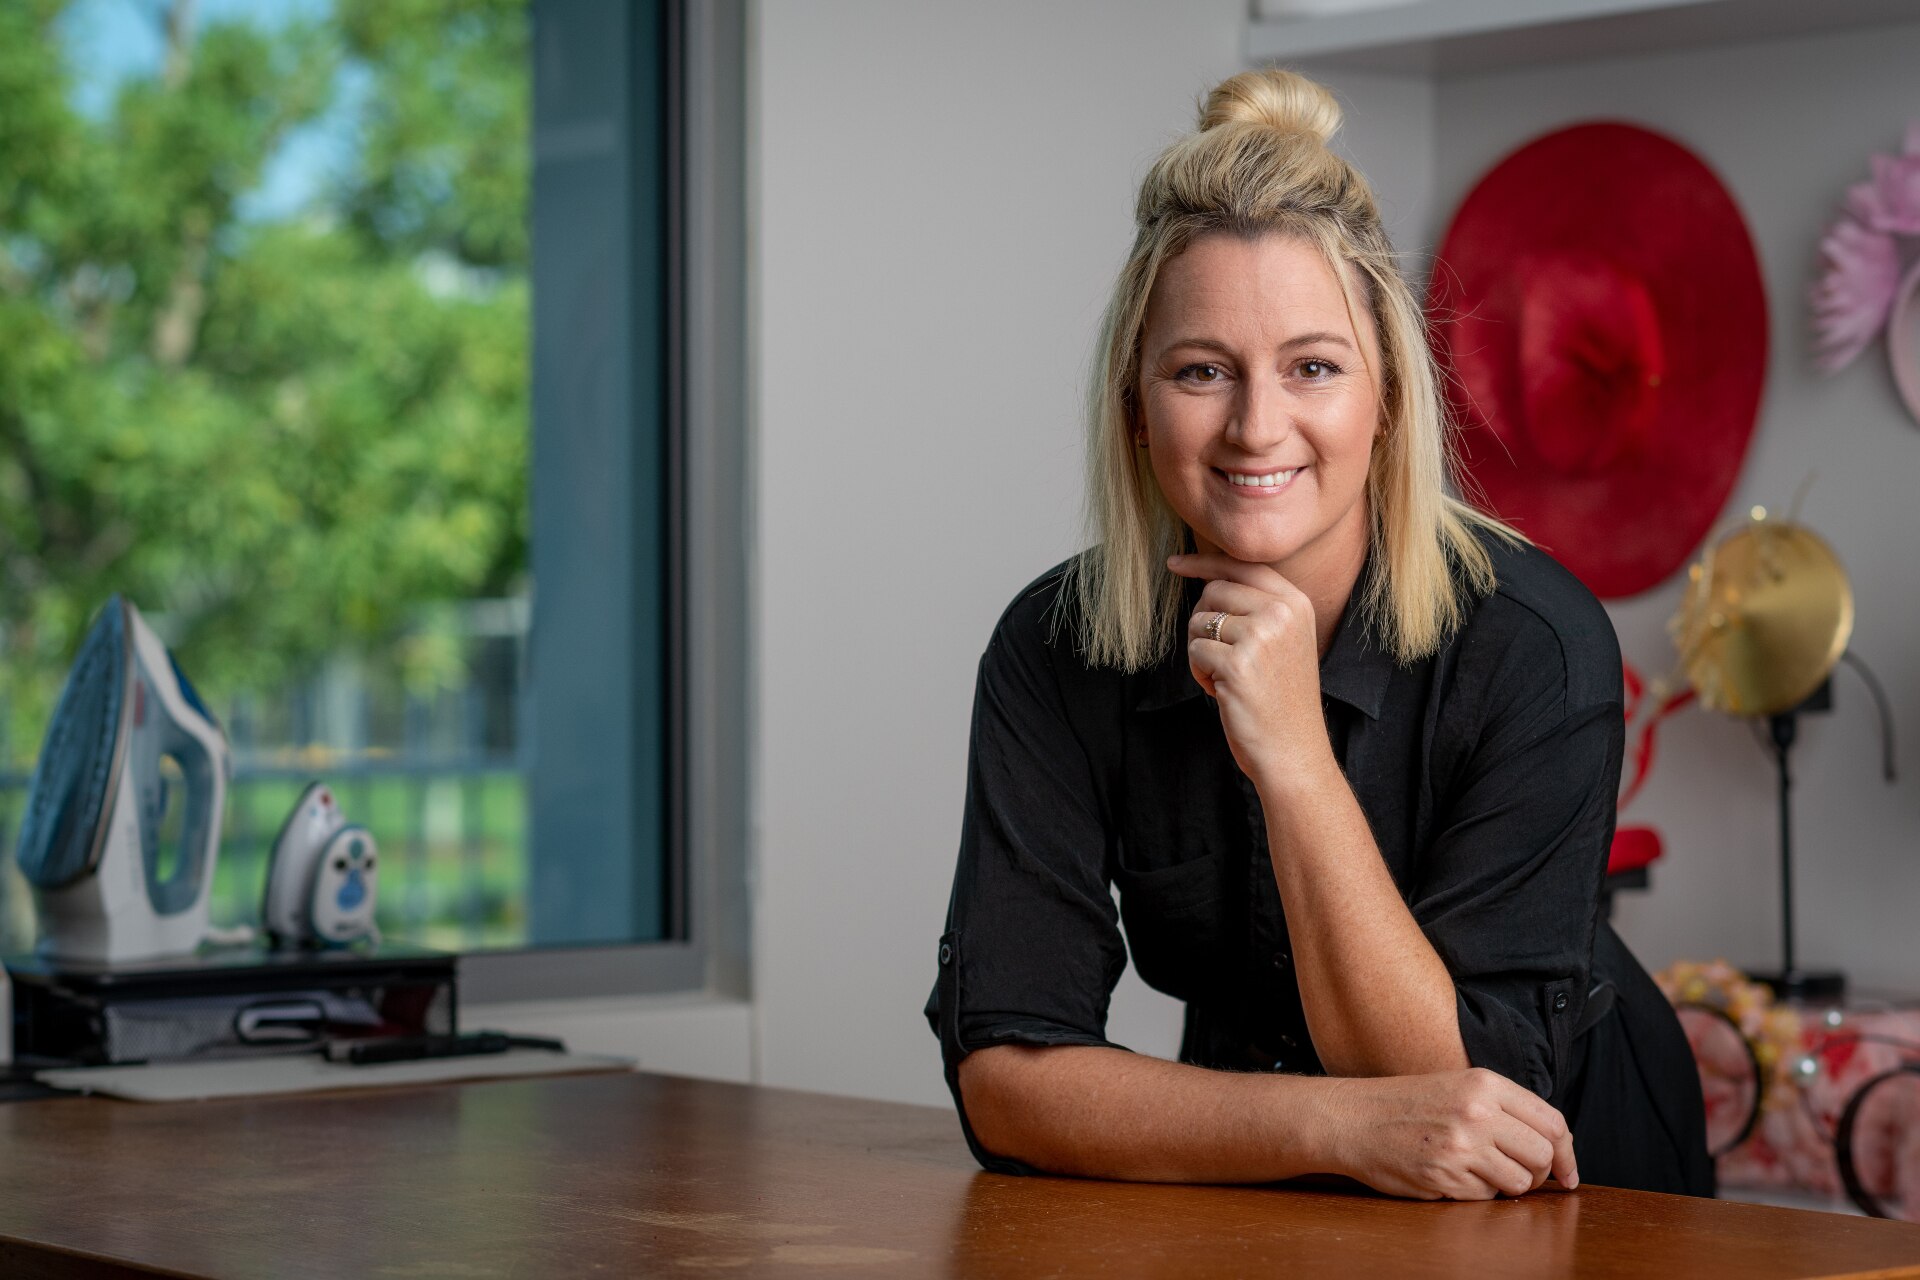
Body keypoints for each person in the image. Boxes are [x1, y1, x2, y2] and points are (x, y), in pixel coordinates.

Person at [924, 67, 1712, 1200]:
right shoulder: (1056, 647)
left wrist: (1293, 753)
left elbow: (1457, 1101)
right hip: (1262, 1165)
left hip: (1583, 1187)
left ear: (1386, 394)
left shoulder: (1534, 645)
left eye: (1313, 366)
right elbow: (1005, 1077)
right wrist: (1337, 1125)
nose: (1256, 424)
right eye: (1202, 370)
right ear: (1134, 409)